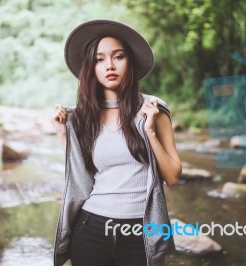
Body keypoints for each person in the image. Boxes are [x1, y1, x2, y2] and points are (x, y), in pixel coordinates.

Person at [52, 20, 182, 266]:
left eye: (118, 57)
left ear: (129, 62)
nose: (109, 65)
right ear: (90, 68)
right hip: (91, 229)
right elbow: (81, 178)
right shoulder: (82, 117)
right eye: (99, 60)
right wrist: (63, 135)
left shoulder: (153, 109)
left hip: (140, 233)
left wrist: (149, 132)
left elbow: (173, 177)